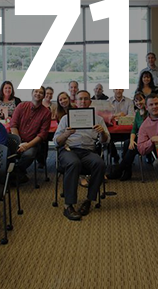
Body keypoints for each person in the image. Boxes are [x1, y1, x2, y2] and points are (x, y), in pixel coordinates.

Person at [54, 90, 109, 221]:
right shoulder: (66, 118)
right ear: (76, 102)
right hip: (68, 150)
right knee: (74, 163)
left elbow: (105, 141)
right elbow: (56, 141)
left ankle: (89, 200)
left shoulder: (98, 119)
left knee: (100, 163)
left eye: (85, 99)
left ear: (90, 102)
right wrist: (66, 134)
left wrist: (102, 133)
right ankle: (68, 205)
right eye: (80, 99)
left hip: (88, 151)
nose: (83, 101)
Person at [10, 88, 51, 182]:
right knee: (4, 151)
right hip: (17, 140)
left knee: (29, 154)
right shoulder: (21, 106)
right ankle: (17, 175)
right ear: (32, 93)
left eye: (41, 93)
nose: (38, 94)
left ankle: (16, 172)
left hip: (32, 143)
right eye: (36, 91)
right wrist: (19, 143)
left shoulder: (46, 113)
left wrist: (27, 145)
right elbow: (13, 125)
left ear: (44, 96)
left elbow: (42, 134)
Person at [107, 92, 147, 181]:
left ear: (145, 100)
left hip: (147, 139)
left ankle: (119, 171)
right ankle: (127, 171)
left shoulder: (149, 113)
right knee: (127, 143)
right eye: (136, 101)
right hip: (139, 137)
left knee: (130, 147)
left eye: (140, 100)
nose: (138, 103)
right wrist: (132, 140)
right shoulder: (138, 113)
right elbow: (134, 129)